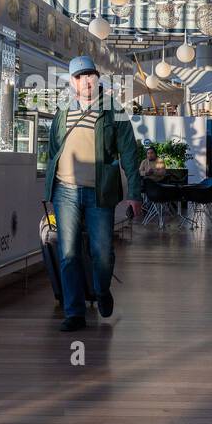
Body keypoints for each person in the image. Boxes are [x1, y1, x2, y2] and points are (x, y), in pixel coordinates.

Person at [43, 55, 145, 332]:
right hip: (65, 192)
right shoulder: (63, 111)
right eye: (79, 76)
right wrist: (52, 186)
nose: (85, 81)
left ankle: (101, 290)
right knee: (68, 254)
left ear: (97, 78)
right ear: (72, 82)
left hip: (100, 192)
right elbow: (54, 149)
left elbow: (130, 154)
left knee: (102, 253)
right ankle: (74, 312)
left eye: (89, 75)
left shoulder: (114, 110)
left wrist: (134, 194)